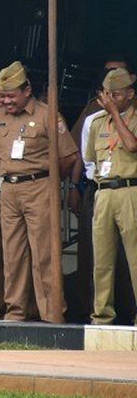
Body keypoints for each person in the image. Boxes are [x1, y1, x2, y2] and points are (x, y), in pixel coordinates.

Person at [0, 61, 78, 322]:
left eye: (11, 95)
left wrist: (49, 182)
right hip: (9, 189)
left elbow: (69, 157)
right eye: (2, 95)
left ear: (26, 90)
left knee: (44, 254)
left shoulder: (47, 115)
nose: (6, 101)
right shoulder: (0, 117)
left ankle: (52, 313)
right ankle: (15, 311)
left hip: (39, 186)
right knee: (12, 253)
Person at [73, 58, 136, 325]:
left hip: (130, 190)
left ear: (130, 94)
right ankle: (101, 316)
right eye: (107, 94)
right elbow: (89, 158)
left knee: (134, 257)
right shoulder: (96, 121)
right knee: (102, 258)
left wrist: (115, 115)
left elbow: (132, 146)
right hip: (103, 190)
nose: (110, 100)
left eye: (116, 95)